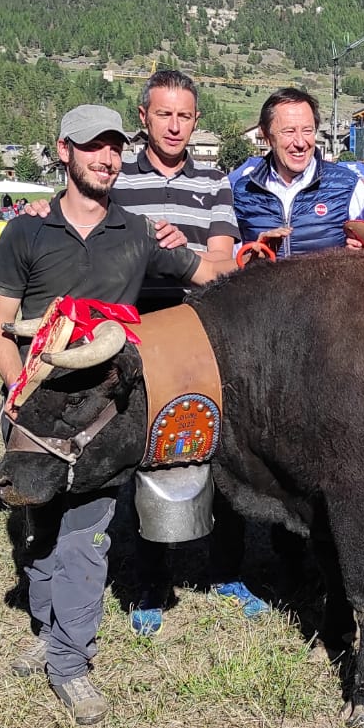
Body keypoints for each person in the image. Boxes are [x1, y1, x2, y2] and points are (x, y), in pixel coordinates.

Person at [0, 104, 240, 724]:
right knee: (37, 526)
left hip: (102, 418)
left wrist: (231, 257)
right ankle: (47, 632)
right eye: (91, 146)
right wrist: (21, 396)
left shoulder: (139, 232)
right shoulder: (26, 233)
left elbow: (214, 271)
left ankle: (69, 661)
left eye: (113, 147)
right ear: (63, 151)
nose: (105, 157)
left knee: (84, 534)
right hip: (31, 407)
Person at [116, 70, 266, 638]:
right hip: (138, 332)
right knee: (147, 453)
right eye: (164, 114)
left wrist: (189, 250)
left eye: (185, 116)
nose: (175, 125)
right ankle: (149, 579)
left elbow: (225, 265)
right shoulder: (118, 180)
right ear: (143, 118)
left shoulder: (215, 183)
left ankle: (226, 568)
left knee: (221, 450)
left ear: (196, 121)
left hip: (204, 335)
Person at [230, 87, 364, 254]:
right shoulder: (242, 191)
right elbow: (232, 263)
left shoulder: (348, 186)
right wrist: (253, 257)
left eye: (307, 131)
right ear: (267, 135)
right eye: (289, 131)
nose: (300, 142)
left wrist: (359, 254)